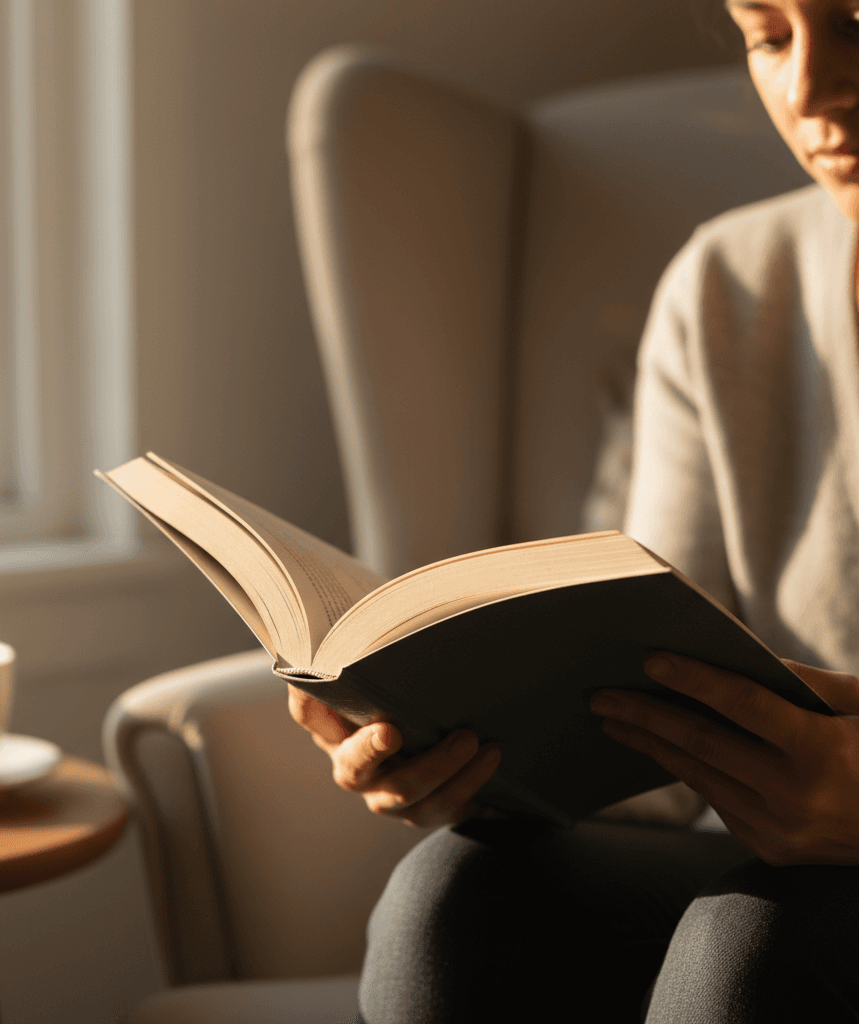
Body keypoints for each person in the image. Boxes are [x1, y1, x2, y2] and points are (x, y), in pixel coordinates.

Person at [289, 1, 859, 1021]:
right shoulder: (725, 286)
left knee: (755, 943)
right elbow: (653, 695)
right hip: (769, 856)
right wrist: (478, 751)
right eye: (769, 35)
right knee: (459, 895)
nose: (811, 93)